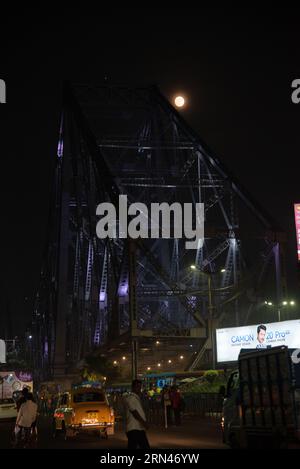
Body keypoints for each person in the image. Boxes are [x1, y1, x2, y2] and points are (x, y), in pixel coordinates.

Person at [123, 379, 150, 449]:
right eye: (137, 387)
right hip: (134, 429)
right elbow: (134, 412)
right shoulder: (131, 398)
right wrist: (144, 423)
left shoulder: (135, 398)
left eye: (140, 387)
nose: (139, 389)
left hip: (138, 428)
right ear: (133, 387)